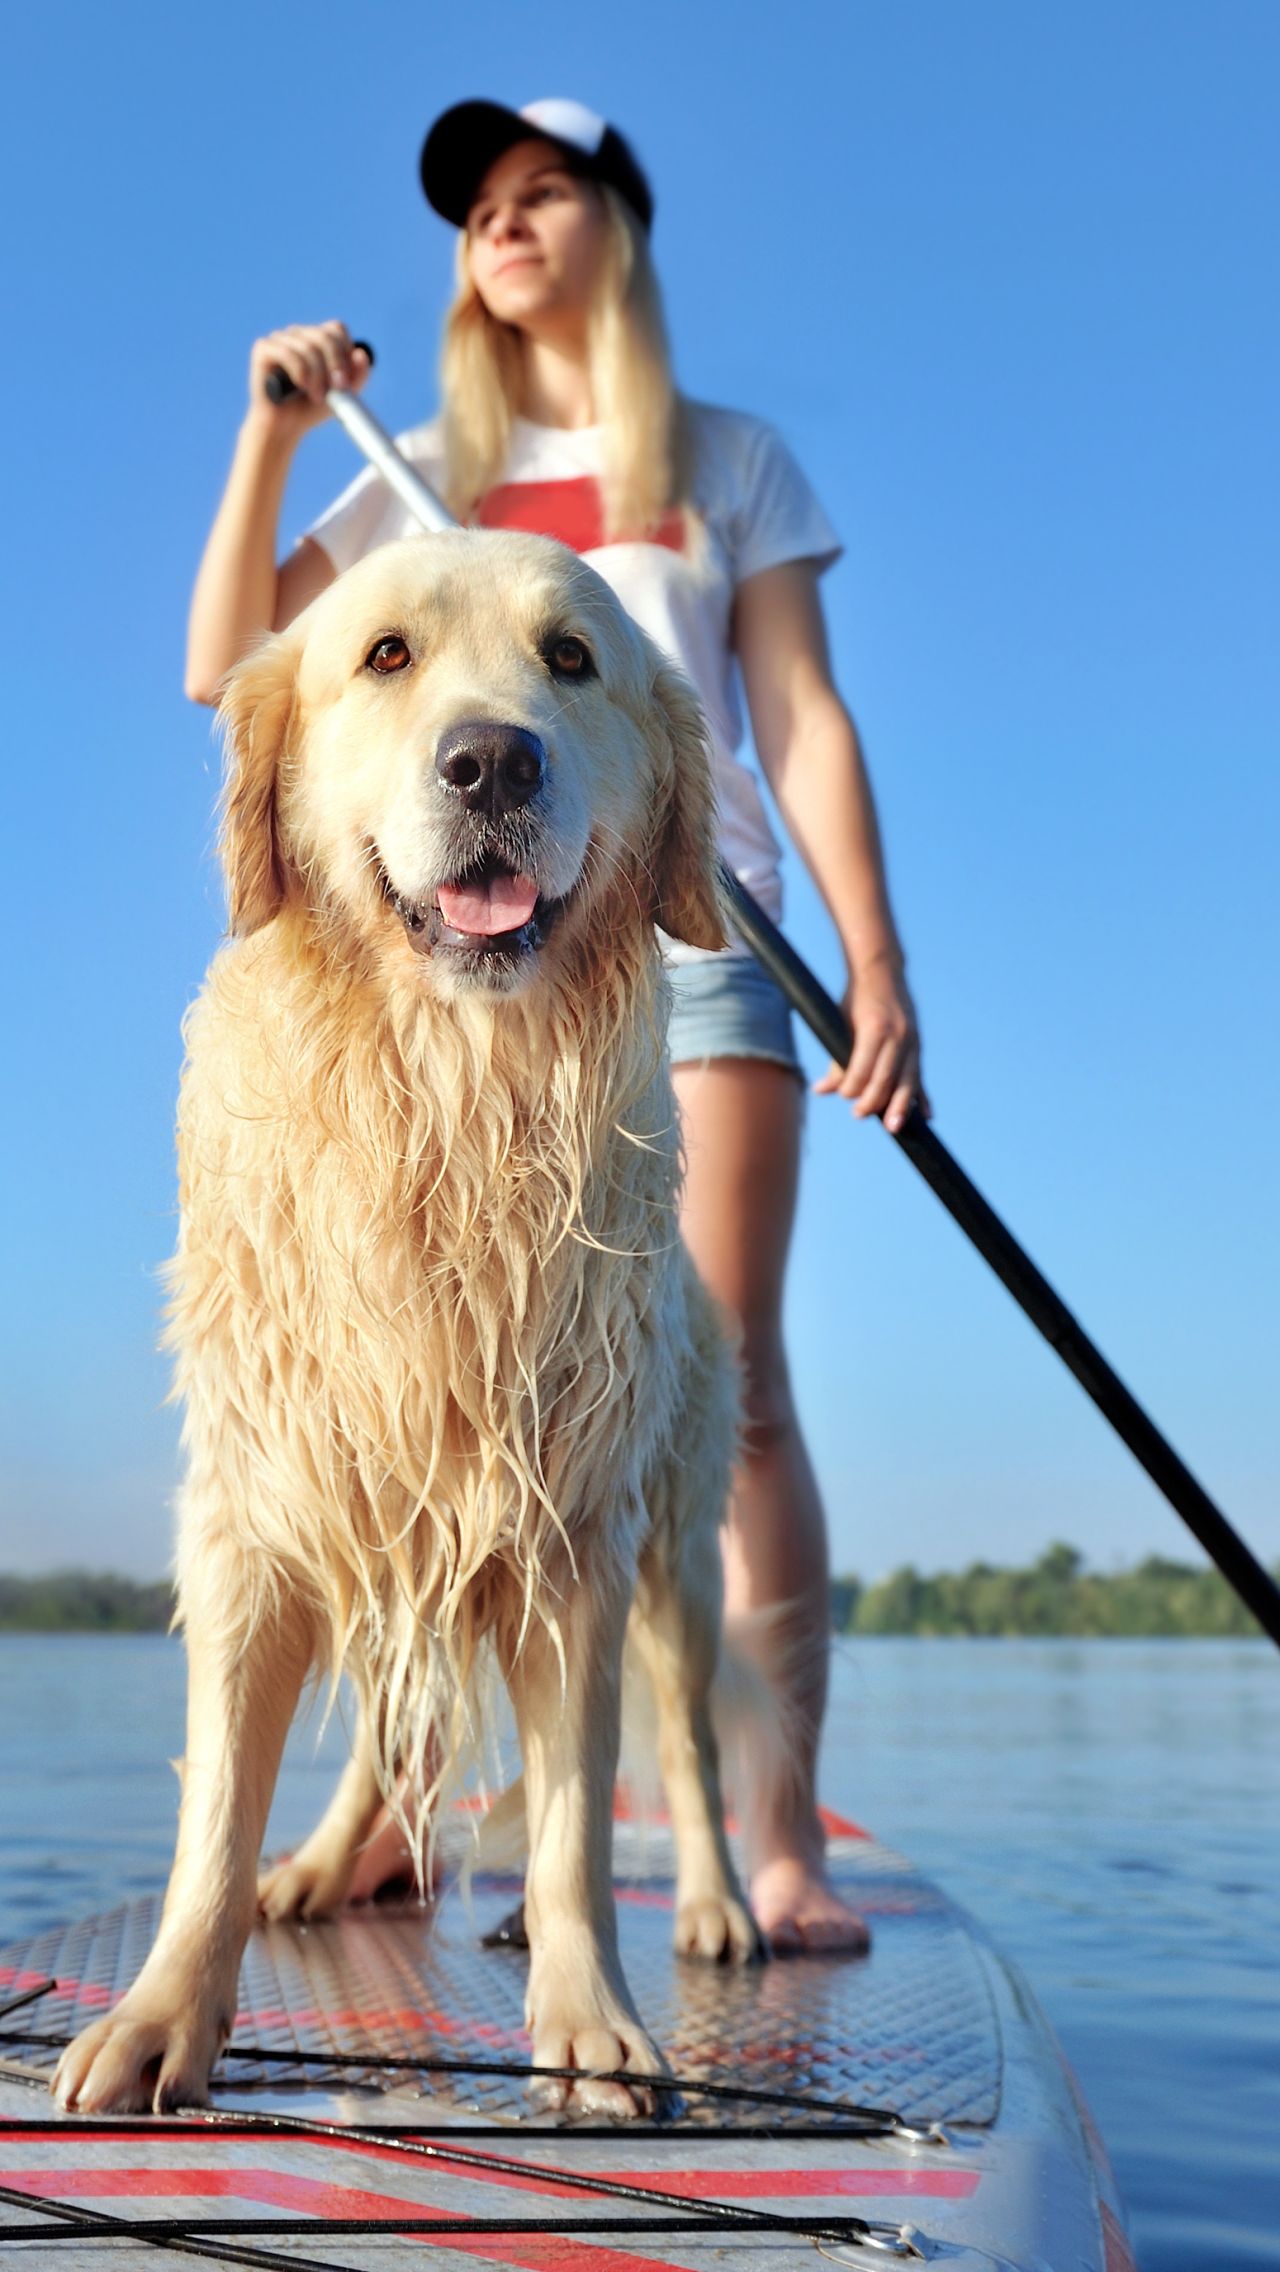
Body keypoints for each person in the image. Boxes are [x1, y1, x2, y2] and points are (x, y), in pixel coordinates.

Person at [185, 97, 926, 1953]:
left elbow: (801, 719)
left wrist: (878, 957)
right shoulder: (408, 461)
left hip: (685, 934)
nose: (503, 227)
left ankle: (770, 1841)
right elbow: (233, 675)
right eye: (477, 211)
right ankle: (394, 1811)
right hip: (431, 957)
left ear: (619, 224)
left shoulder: (727, 461)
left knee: (720, 1387)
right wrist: (271, 438)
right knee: (419, 1413)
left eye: (542, 193)